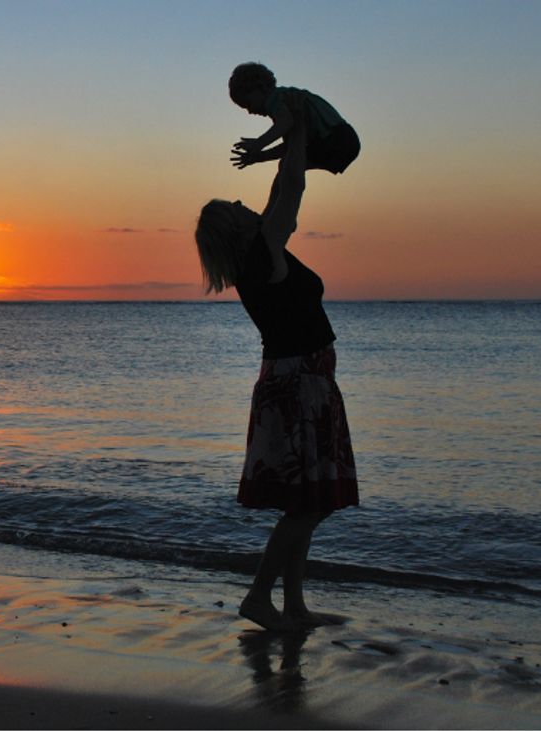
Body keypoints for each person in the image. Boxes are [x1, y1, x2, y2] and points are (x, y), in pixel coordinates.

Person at [195, 126, 359, 632]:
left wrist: (290, 147)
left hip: (300, 382)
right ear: (236, 227)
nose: (247, 203)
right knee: (308, 508)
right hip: (298, 387)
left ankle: (294, 606)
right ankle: (259, 598)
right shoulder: (263, 254)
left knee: (304, 502)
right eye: (237, 205)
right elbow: (289, 190)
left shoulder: (257, 255)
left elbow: (280, 191)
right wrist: (296, 149)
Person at [228, 62, 360, 210]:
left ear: (260, 88)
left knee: (288, 167)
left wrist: (259, 143)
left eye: (248, 103)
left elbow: (285, 122)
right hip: (344, 140)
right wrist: (260, 157)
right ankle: (280, 210)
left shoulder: (277, 99)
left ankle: (277, 212)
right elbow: (292, 146)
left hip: (337, 139)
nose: (250, 111)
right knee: (289, 164)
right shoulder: (285, 103)